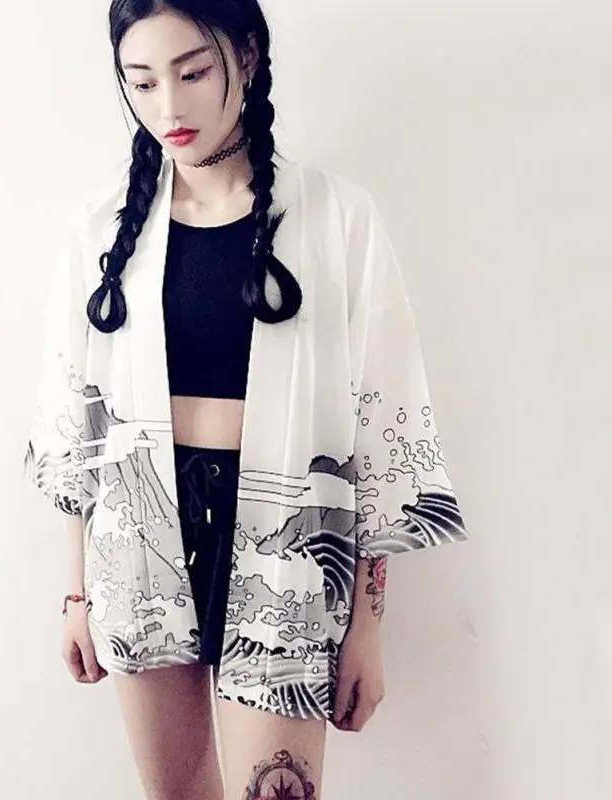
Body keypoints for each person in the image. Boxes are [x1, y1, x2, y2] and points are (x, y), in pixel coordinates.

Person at [23, 1, 470, 797]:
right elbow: (75, 433)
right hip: (138, 546)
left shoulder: (337, 217)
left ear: (250, 55)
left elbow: (379, 425)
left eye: (193, 72)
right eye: (142, 81)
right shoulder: (103, 229)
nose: (169, 105)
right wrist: (76, 596)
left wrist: (366, 626)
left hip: (283, 547)